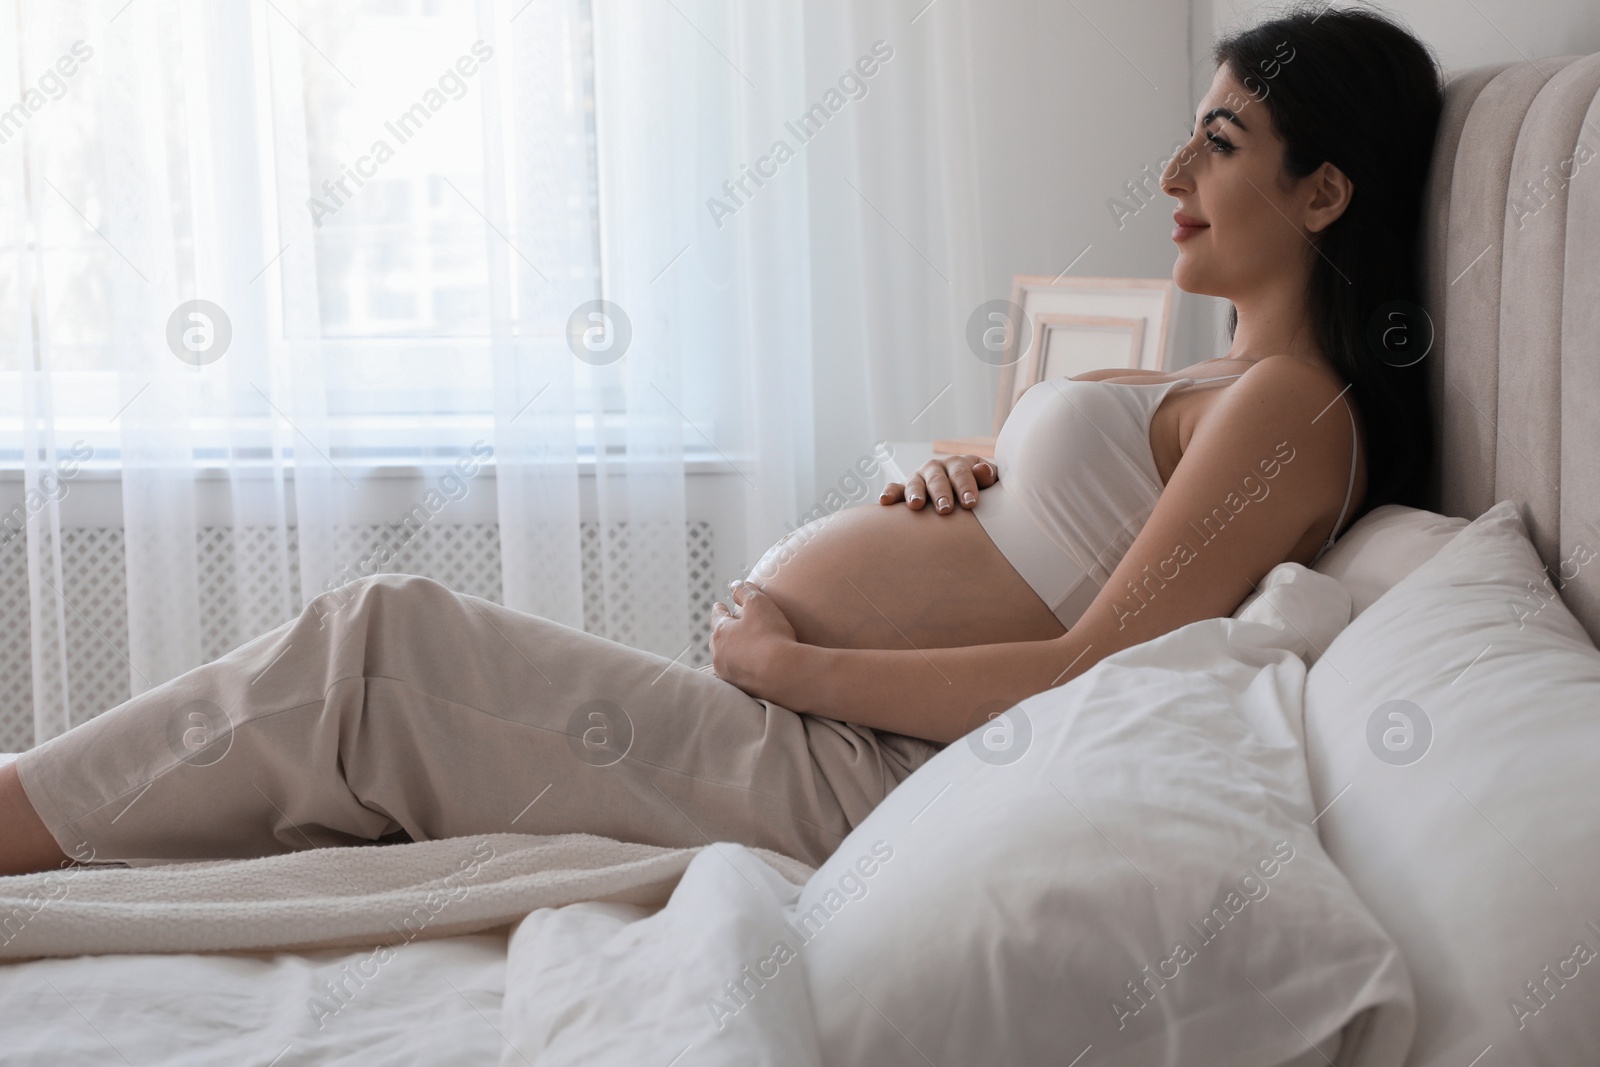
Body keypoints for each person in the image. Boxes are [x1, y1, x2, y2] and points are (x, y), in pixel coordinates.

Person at [0, 3, 1442, 878]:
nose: (1175, 174)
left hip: (852, 772)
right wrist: (959, 471)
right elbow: (1074, 559)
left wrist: (783, 660)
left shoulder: (1293, 409)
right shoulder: (1216, 381)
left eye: (1222, 144)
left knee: (380, 649)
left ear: (1322, 195)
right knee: (372, 674)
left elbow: (1090, 669)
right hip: (822, 737)